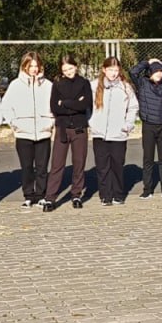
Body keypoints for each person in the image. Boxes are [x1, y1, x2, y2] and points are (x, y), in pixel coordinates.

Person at [0, 51, 54, 208]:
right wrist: (14, 123)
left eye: (36, 66)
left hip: (43, 132)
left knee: (42, 167)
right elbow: (6, 107)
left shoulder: (48, 85)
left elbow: (55, 106)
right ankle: (29, 195)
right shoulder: (15, 85)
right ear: (24, 67)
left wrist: (51, 121)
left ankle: (41, 195)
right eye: (31, 66)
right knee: (27, 167)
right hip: (23, 133)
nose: (34, 69)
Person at [43, 53, 92, 211]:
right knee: (57, 164)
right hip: (62, 128)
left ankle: (76, 194)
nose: (68, 72)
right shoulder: (57, 84)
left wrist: (64, 103)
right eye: (65, 70)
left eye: (70, 68)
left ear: (75, 67)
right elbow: (54, 107)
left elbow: (85, 105)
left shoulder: (84, 83)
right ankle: (50, 198)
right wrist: (74, 104)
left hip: (79, 128)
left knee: (79, 163)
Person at [129, 56, 162, 198]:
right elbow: (133, 72)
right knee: (148, 159)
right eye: (155, 71)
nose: (158, 74)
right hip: (148, 126)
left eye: (160, 71)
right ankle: (147, 190)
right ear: (149, 73)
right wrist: (147, 62)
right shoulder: (142, 83)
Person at [89, 57, 139, 206]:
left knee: (117, 165)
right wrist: (91, 123)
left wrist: (128, 125)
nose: (113, 73)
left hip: (119, 134)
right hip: (100, 133)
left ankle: (118, 194)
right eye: (110, 70)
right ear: (104, 70)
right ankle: (105, 195)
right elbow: (86, 106)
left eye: (116, 70)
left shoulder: (125, 87)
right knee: (102, 166)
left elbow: (133, 107)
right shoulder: (93, 86)